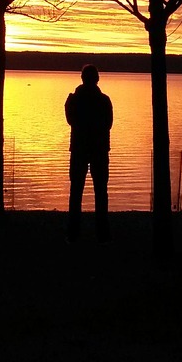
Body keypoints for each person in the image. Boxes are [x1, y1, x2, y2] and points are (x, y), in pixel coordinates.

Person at [64, 64, 113, 243]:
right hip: (99, 149)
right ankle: (102, 233)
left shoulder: (75, 100)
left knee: (76, 191)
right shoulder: (104, 100)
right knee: (101, 192)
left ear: (82, 78)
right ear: (97, 79)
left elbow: (70, 120)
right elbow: (108, 123)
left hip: (79, 149)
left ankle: (73, 233)